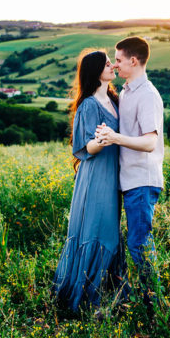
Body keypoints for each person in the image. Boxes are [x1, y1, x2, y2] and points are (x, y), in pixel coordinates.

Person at [52, 49, 129, 312]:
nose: (112, 67)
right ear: (95, 71)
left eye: (111, 63)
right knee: (98, 229)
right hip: (96, 175)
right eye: (108, 64)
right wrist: (102, 139)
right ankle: (84, 297)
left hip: (113, 174)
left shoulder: (114, 100)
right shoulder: (88, 105)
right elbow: (86, 148)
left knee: (110, 230)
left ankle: (109, 291)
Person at [95, 36, 164, 309]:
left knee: (138, 243)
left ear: (133, 61)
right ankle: (135, 297)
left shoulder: (148, 95)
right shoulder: (126, 92)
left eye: (119, 60)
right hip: (129, 180)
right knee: (132, 243)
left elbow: (149, 142)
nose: (116, 65)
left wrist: (115, 138)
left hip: (142, 181)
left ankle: (155, 306)